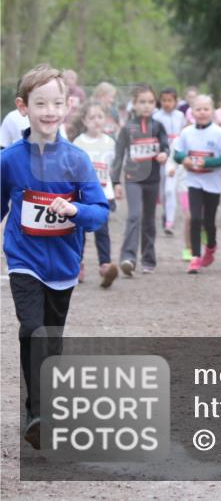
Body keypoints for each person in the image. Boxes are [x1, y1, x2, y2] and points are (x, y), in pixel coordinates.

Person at [1, 65, 109, 448]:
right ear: (23, 107)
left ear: (67, 107)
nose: (49, 111)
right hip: (24, 260)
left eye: (56, 104)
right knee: (31, 329)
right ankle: (38, 413)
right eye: (40, 103)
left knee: (51, 340)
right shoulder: (9, 159)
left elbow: (99, 213)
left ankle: (43, 404)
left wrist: (75, 210)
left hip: (64, 266)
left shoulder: (77, 160)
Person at [110, 85, 169, 276]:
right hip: (133, 179)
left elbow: (165, 146)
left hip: (153, 179)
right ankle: (128, 258)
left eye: (150, 102)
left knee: (149, 219)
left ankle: (148, 260)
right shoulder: (127, 128)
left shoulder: (158, 126)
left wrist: (164, 154)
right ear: (134, 104)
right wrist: (115, 182)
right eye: (142, 102)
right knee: (134, 215)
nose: (146, 106)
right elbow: (118, 156)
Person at [173, 95, 221, 273]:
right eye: (198, 109)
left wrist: (207, 163)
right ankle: (195, 257)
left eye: (206, 109)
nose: (202, 112)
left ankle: (211, 247)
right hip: (194, 181)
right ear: (192, 112)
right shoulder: (187, 133)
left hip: (213, 183)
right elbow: (177, 153)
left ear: (212, 111)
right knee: (195, 218)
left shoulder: (219, 133)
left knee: (209, 221)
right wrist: (184, 159)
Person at [72, 102, 119, 287]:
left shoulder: (110, 143)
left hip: (103, 193)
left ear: (105, 119)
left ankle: (105, 265)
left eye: (100, 117)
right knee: (80, 231)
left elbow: (114, 168)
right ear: (84, 121)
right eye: (92, 117)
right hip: (82, 195)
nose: (96, 121)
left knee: (102, 230)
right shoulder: (78, 142)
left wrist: (116, 186)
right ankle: (78, 264)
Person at [153, 87, 186, 236]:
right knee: (162, 191)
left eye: (170, 100)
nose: (167, 103)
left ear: (175, 101)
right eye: (164, 100)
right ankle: (166, 212)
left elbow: (184, 135)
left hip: (175, 156)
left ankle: (169, 221)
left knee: (170, 189)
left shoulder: (180, 116)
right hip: (162, 155)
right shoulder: (156, 116)